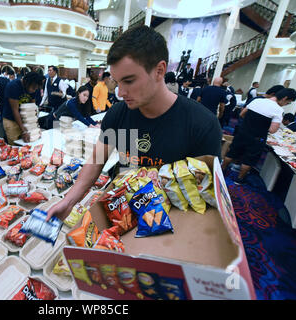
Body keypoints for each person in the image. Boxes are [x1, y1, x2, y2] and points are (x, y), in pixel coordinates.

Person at [46, 25, 222, 221]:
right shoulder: (118, 114)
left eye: (129, 81)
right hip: (120, 210)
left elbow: (203, 198)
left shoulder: (202, 124)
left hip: (169, 221)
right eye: (117, 82)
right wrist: (69, 200)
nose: (120, 92)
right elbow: (96, 161)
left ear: (159, 70)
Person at [221, 88, 296, 185]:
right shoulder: (278, 110)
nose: (286, 104)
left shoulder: (257, 100)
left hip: (243, 132)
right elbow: (272, 130)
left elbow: (242, 114)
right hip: (257, 138)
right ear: (285, 98)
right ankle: (239, 179)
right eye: (288, 102)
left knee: (232, 152)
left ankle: (222, 170)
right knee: (249, 159)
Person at [2, 71, 44, 144]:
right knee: (16, 144)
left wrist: (35, 126)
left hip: (25, 119)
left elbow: (32, 108)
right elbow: (15, 110)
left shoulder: (34, 88)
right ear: (26, 82)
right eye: (33, 88)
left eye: (36, 89)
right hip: (11, 120)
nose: (34, 90)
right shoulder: (13, 86)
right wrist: (23, 130)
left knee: (29, 143)